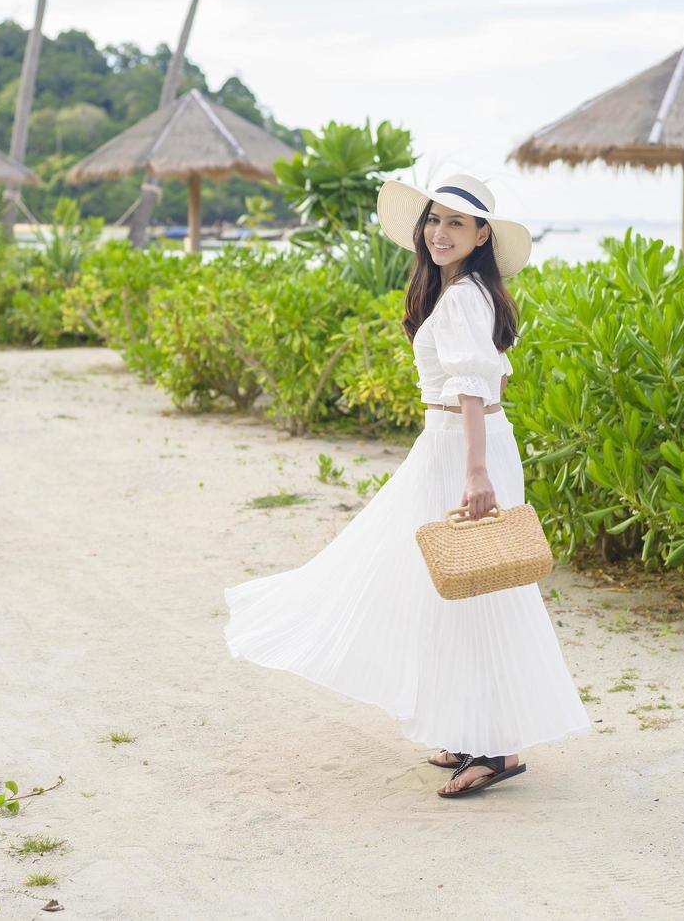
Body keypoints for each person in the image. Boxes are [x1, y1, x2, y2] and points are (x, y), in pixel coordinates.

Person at [223, 174, 590, 797]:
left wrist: (476, 471)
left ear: (480, 237)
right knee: (442, 588)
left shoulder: (466, 297)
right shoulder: (459, 293)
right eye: (434, 220)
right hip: (453, 444)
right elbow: (482, 383)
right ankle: (476, 728)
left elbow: (476, 386)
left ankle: (497, 748)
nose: (440, 233)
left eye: (456, 224)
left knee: (475, 592)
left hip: (463, 449)